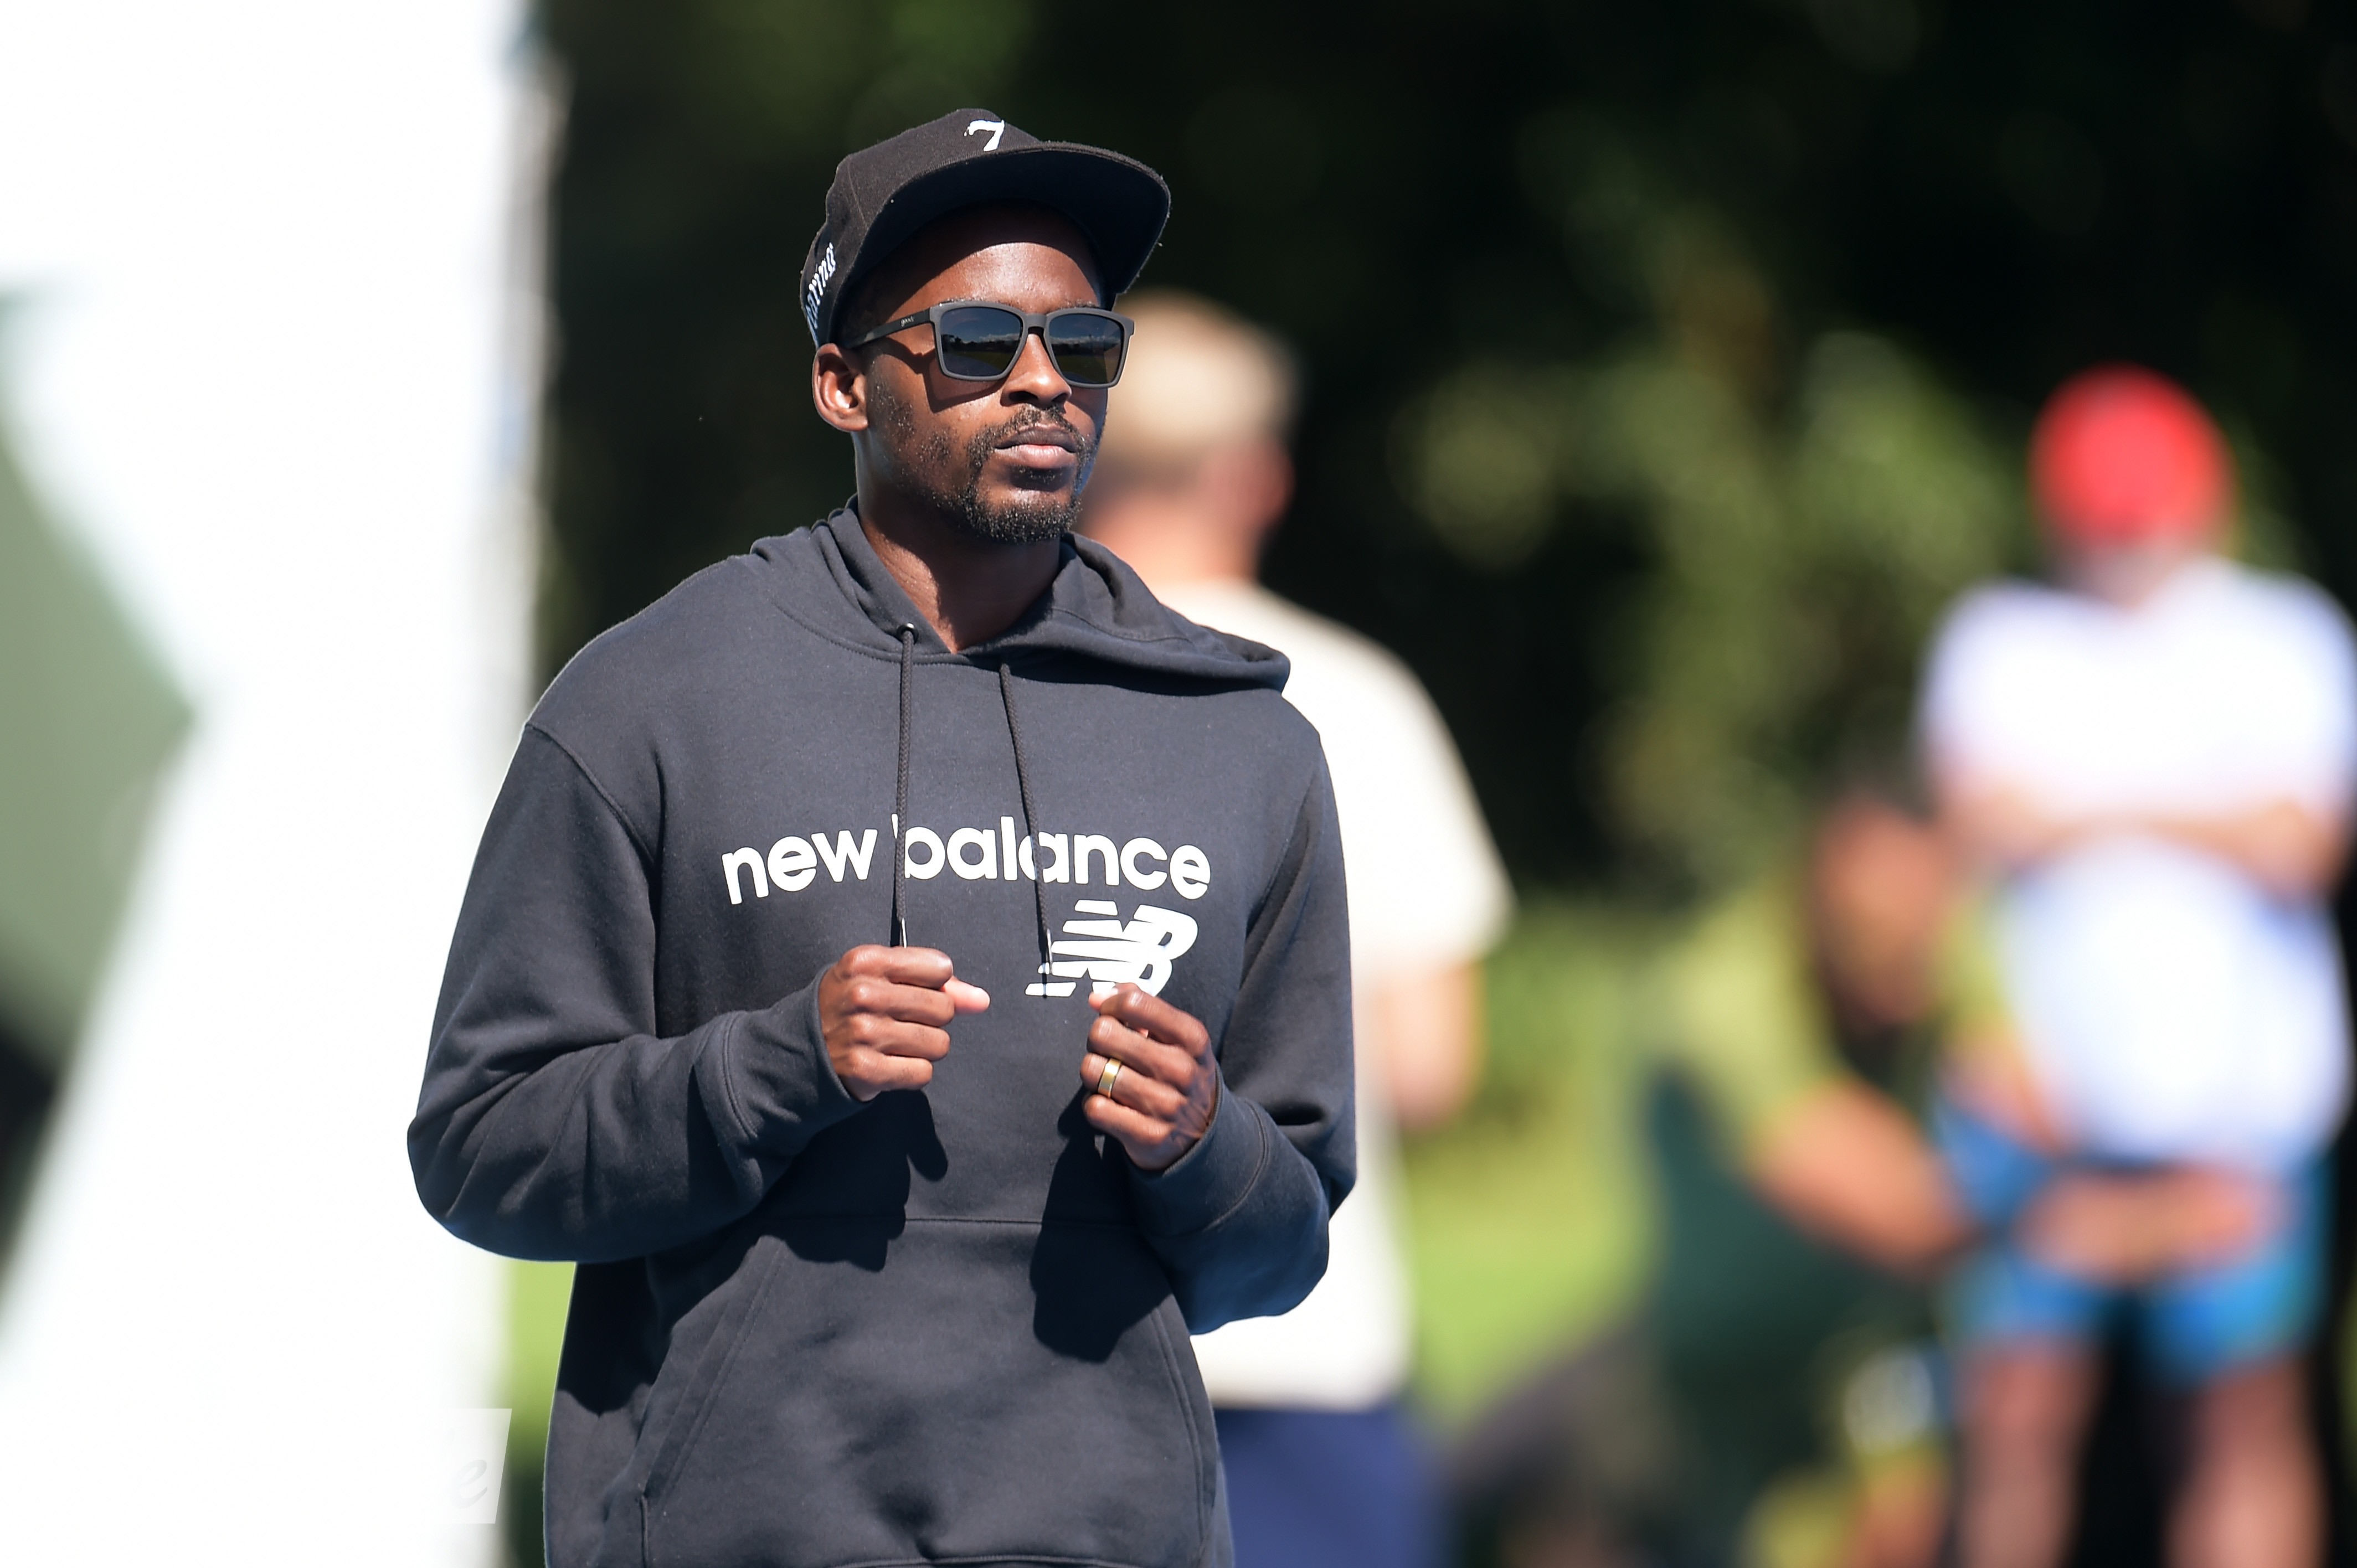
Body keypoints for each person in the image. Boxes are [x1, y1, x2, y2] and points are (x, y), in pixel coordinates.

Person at [408, 110, 1357, 1568]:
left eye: (1083, 345)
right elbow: (482, 1149)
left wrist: (1200, 1142)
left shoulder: (1241, 743)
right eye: (977, 341)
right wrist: (776, 1067)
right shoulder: (653, 701)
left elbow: (1279, 1256)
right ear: (844, 384)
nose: (1042, 381)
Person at [1082, 292, 1514, 1568]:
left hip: (1050, 1348)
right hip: (1305, 1333)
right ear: (1254, 476)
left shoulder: (988, 688)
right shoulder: (1355, 702)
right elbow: (1430, 1066)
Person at [1919, 365, 2357, 1568]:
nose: (2122, 542)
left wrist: (2082, 814)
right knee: (2015, 1413)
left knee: (2235, 1415)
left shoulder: (2286, 636)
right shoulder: (1998, 640)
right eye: (2100, 516)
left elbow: (2303, 842)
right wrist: (2202, 814)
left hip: (2239, 1111)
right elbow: (1971, 828)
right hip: (2036, 1112)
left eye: (2142, 514)